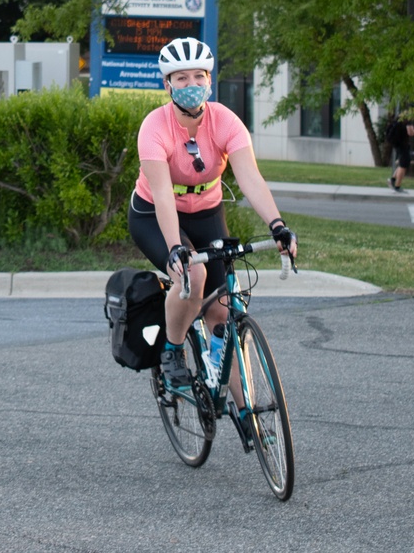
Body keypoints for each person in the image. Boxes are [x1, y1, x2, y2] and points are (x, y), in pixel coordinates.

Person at [127, 37, 296, 392]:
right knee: (192, 274)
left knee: (222, 313)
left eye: (198, 77)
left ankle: (250, 422)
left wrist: (277, 225)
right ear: (167, 84)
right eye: (181, 78)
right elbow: (160, 195)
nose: (191, 85)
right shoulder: (154, 127)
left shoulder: (225, 121)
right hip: (154, 215)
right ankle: (173, 350)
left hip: (206, 212)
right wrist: (175, 248)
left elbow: (249, 177)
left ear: (209, 80)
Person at [386, 114, 414, 193]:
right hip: (403, 146)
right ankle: (397, 186)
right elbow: (410, 133)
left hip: (397, 145)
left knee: (402, 163)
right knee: (404, 165)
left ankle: (392, 180)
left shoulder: (398, 121)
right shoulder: (407, 122)